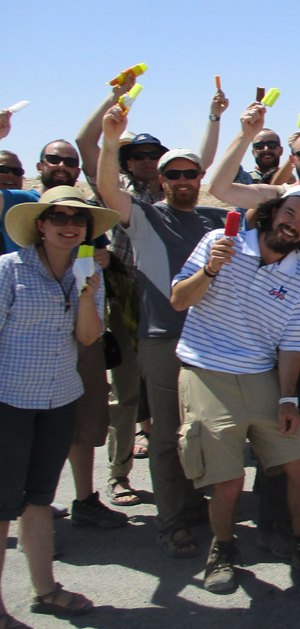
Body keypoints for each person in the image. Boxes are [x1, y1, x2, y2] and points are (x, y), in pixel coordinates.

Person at [170, 189, 300, 592]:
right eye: (289, 213)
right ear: (271, 213)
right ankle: (223, 550)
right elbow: (178, 300)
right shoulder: (218, 243)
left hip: (262, 376)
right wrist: (210, 270)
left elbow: (292, 345)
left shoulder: (299, 278)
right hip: (207, 371)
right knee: (227, 481)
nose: (293, 223)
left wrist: (288, 398)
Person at [209, 110, 300, 555]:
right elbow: (217, 189)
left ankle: (294, 512)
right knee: (270, 415)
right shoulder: (276, 195)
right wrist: (245, 134)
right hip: (267, 314)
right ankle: (270, 518)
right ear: (292, 158)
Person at [96, 104, 226, 558]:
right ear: (163, 180)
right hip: (162, 339)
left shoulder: (214, 222)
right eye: (175, 174)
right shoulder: (147, 218)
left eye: (191, 172)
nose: (184, 180)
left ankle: (192, 502)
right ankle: (170, 523)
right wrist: (111, 142)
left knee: (204, 431)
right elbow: (108, 191)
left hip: (211, 342)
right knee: (167, 434)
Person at [0, 187, 118, 629]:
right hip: (9, 401)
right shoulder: (9, 271)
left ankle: (44, 589)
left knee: (39, 500)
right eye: (59, 217)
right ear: (41, 225)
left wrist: (87, 293)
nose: (70, 225)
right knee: (1, 508)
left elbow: (88, 338)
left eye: (79, 219)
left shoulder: (87, 274)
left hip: (58, 399)